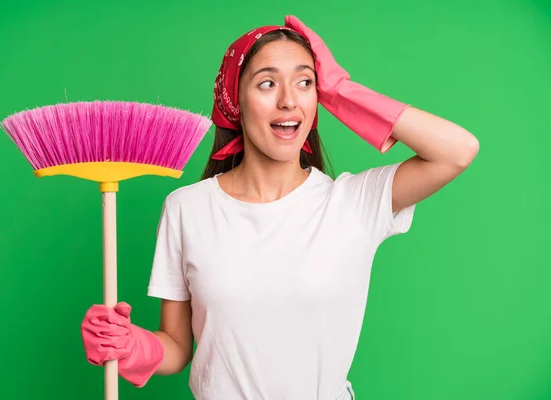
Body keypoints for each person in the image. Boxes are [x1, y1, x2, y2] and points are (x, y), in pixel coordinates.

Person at [80, 15, 479, 400]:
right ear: (234, 100)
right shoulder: (186, 209)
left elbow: (457, 151)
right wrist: (131, 346)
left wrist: (341, 90)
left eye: (305, 83)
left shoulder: (352, 203)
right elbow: (178, 347)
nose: (289, 101)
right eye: (267, 83)